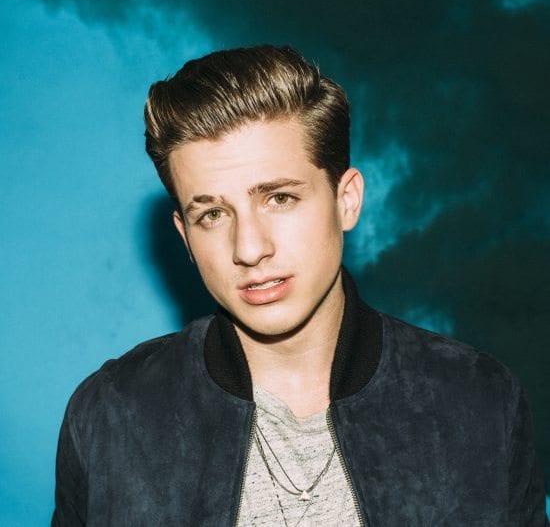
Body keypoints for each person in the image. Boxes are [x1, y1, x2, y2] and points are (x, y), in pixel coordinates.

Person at [52, 45, 548, 526]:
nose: (249, 248)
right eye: (213, 214)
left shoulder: (479, 401)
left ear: (346, 200)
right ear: (185, 236)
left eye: (280, 199)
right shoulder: (111, 414)